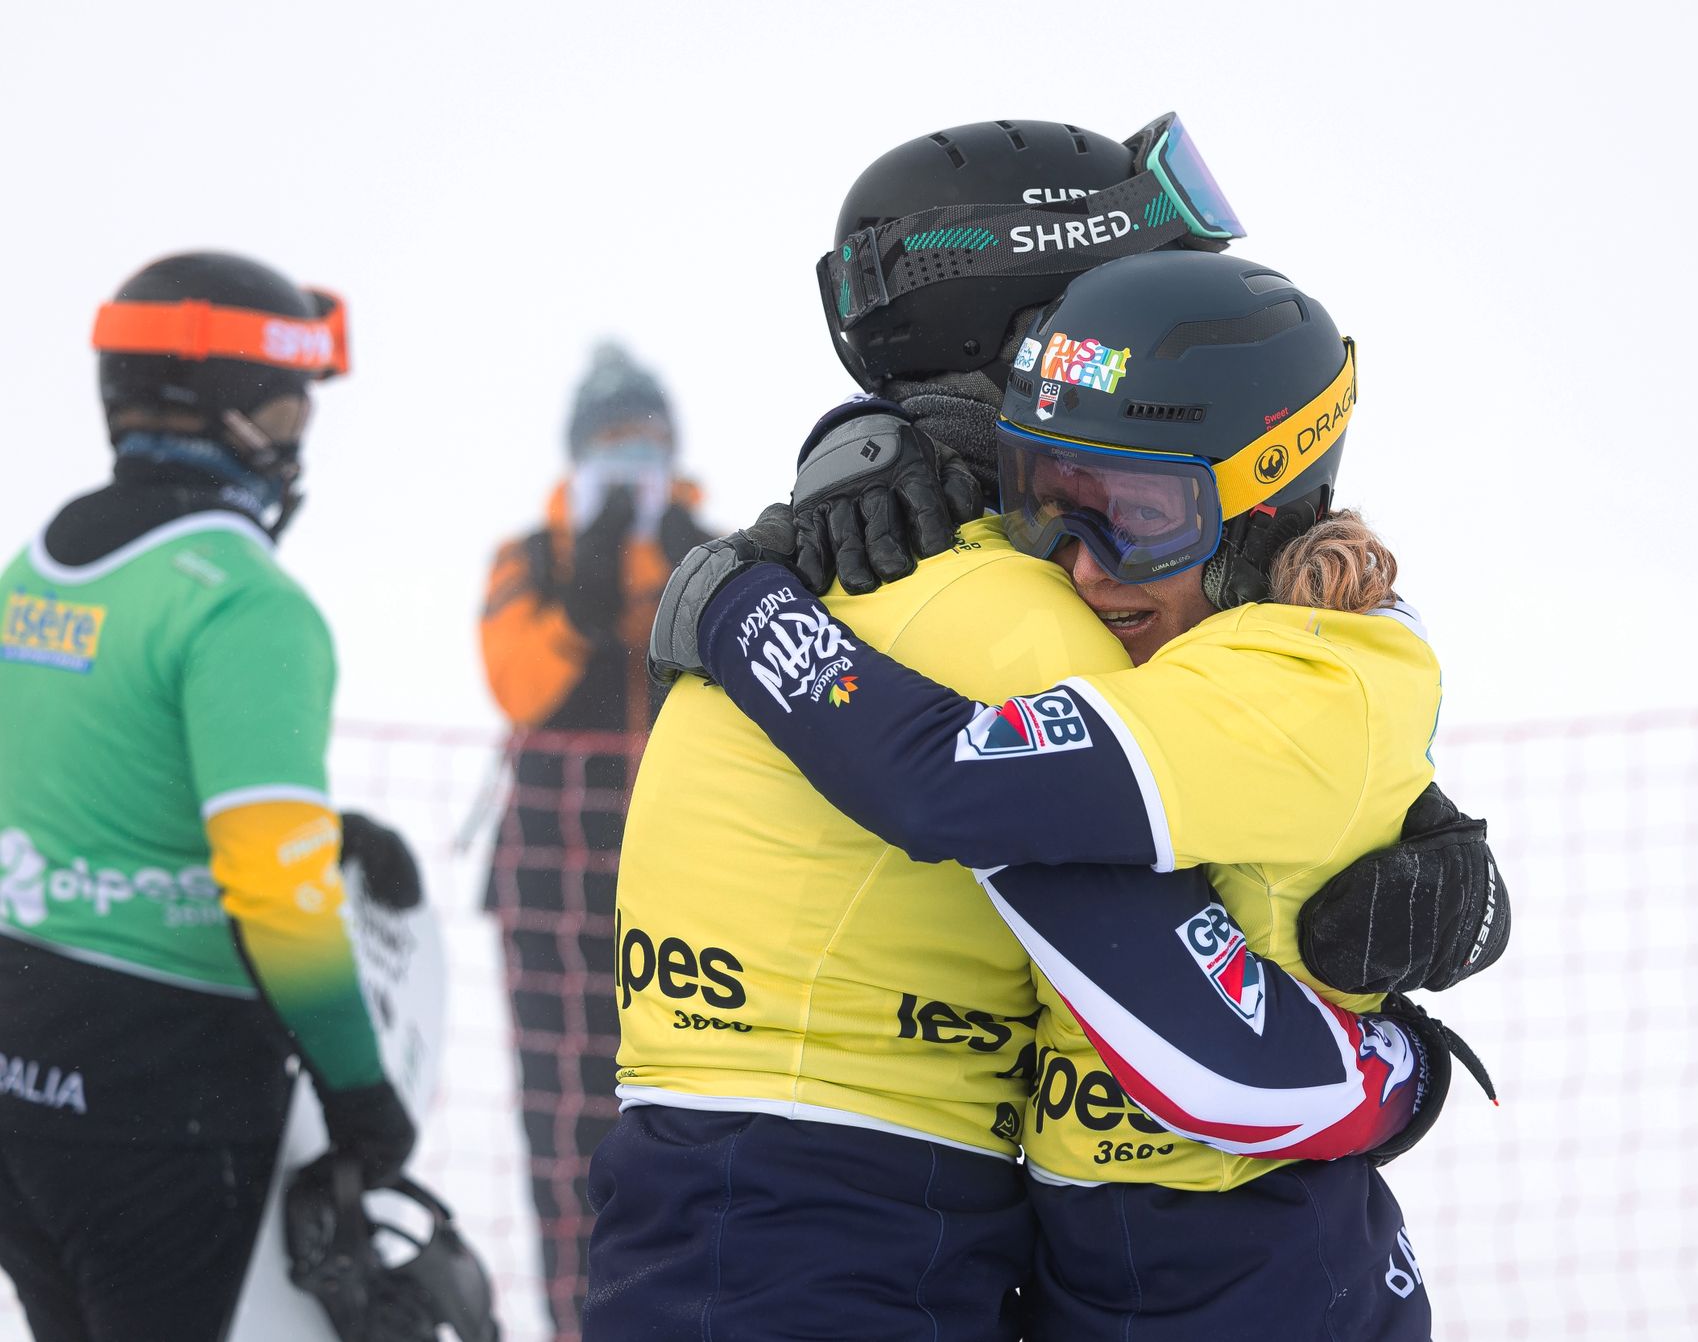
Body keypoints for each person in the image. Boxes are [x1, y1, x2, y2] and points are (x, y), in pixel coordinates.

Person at [591, 119, 1502, 1341]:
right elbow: (1200, 1032)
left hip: (753, 1197)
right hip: (873, 1221)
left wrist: (1405, 814)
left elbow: (1287, 715)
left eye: (1126, 509)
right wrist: (1403, 1072)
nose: (1085, 562)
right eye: (1056, 499)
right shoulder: (1020, 617)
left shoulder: (858, 560)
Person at [0, 252, 419, 1341]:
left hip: (18, 1078)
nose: (294, 442)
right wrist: (360, 1096)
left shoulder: (35, 573)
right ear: (225, 412)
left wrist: (322, 827)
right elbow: (277, 897)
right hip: (160, 1105)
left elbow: (88, 780)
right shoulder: (245, 604)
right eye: (286, 408)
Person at [476, 340, 713, 1337]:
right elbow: (519, 685)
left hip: (685, 871)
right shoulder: (527, 559)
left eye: (647, 437)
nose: (632, 455)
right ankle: (574, 1319)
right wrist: (586, 581)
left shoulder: (710, 550)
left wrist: (674, 556)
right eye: (613, 439)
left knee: (685, 1111)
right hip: (549, 885)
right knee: (562, 1123)